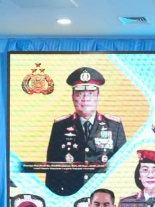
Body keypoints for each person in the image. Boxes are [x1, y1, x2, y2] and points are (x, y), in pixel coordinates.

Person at [45, 67, 127, 196]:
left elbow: (123, 168)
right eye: (79, 93)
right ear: (73, 97)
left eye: (91, 93)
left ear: (98, 96)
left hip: (103, 197)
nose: (85, 98)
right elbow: (52, 171)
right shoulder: (60, 126)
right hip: (70, 195)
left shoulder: (114, 126)